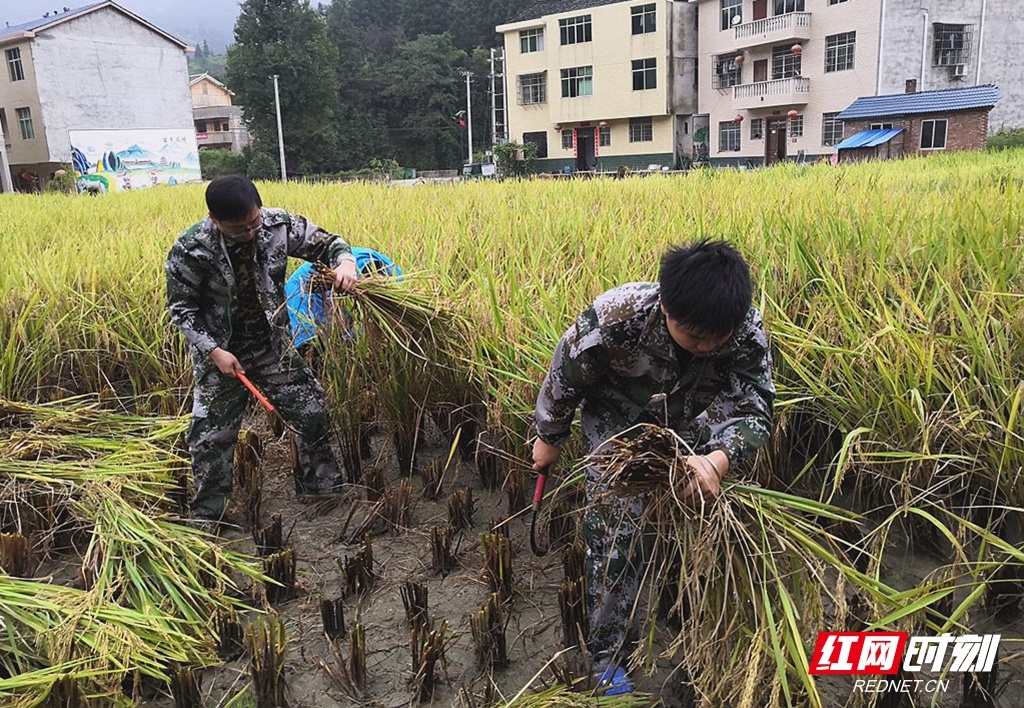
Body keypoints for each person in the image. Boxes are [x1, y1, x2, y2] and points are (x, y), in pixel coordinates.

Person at [531, 240, 775, 694]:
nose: (705, 347)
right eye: (694, 336)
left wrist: (717, 461)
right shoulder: (614, 319)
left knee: (700, 512)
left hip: (693, 427)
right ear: (665, 308)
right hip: (617, 421)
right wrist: (549, 438)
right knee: (614, 533)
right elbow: (564, 377)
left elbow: (754, 407)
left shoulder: (743, 330)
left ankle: (690, 615)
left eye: (714, 340)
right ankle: (608, 655)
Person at [165, 175, 358, 524]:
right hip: (221, 353)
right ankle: (210, 512)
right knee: (211, 436)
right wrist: (213, 351)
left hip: (270, 346)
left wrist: (346, 262)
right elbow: (182, 310)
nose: (250, 233)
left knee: (312, 409)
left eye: (254, 222)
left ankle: (321, 487)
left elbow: (330, 244)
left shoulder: (278, 225)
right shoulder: (191, 249)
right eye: (238, 229)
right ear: (214, 220)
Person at [286, 248, 402, 351]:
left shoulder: (392, 274)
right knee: (314, 345)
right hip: (302, 289)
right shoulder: (350, 278)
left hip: (335, 281)